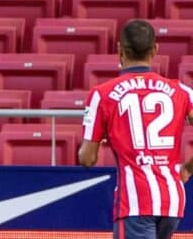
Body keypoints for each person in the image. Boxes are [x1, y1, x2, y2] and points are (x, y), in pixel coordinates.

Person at [78, 19, 193, 239]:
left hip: (135, 202)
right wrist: (188, 168)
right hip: (171, 202)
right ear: (155, 49)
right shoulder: (181, 91)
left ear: (120, 50)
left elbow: (87, 159)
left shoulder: (102, 94)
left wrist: (104, 138)